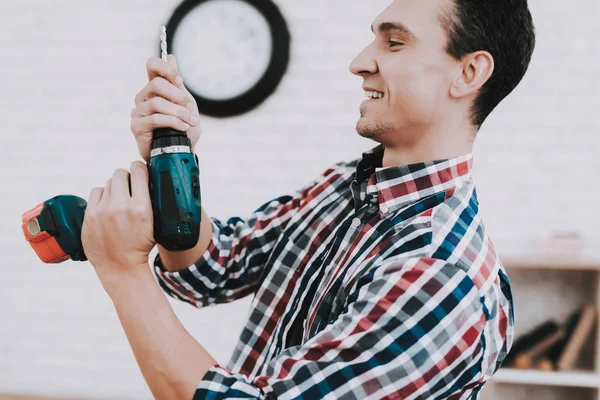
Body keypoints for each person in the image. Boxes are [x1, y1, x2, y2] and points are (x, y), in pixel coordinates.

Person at [81, 0, 536, 398]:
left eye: (394, 43)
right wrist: (173, 156)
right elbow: (210, 267)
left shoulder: (441, 277)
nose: (359, 62)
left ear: (469, 72)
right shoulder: (346, 185)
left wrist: (123, 271)